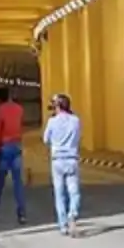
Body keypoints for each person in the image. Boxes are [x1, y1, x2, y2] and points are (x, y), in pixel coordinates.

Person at [42, 93, 82, 236]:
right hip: (71, 159)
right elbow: (78, 138)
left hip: (57, 160)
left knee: (59, 194)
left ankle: (63, 225)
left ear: (57, 106)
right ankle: (73, 214)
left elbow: (46, 139)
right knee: (74, 192)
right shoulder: (76, 120)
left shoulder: (52, 122)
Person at [0, 85, 26, 224]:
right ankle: (21, 212)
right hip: (17, 147)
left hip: (4, 148)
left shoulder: (0, 111)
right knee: (18, 182)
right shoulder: (19, 109)